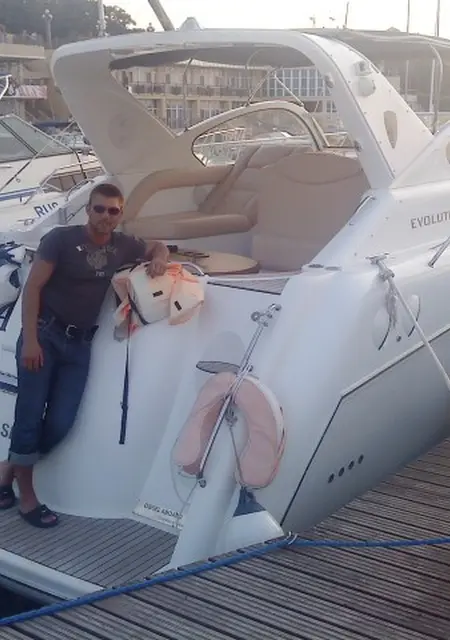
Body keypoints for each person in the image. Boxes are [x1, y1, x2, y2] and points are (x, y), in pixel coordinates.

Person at [0, 182, 169, 528]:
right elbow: (33, 288)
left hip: (79, 345)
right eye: (99, 208)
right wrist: (30, 340)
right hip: (44, 336)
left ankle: (6, 471)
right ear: (88, 210)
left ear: (120, 214)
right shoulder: (59, 240)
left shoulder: (123, 244)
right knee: (29, 417)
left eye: (113, 211)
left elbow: (156, 245)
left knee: (60, 422)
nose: (106, 216)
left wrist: (160, 258)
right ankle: (27, 499)